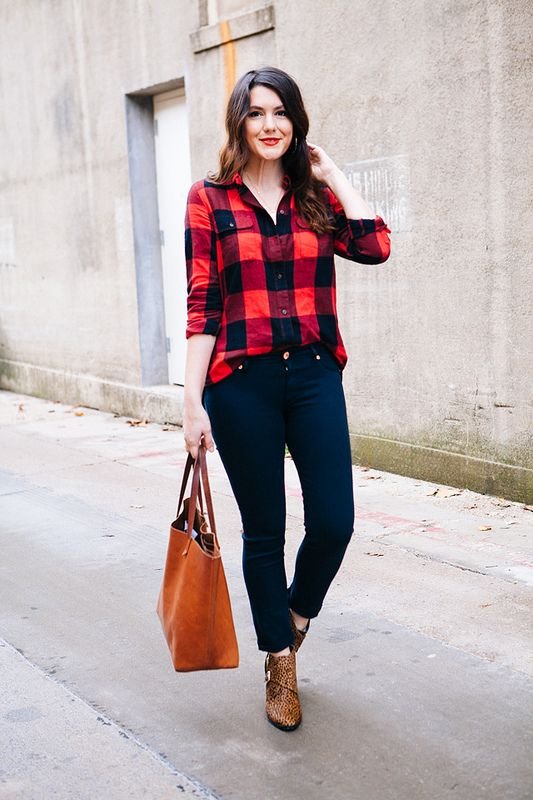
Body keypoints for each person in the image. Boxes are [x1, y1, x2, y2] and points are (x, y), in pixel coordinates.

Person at [182, 66, 391, 732]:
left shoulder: (313, 198)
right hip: (240, 383)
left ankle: (294, 618)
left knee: (334, 521)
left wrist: (332, 175)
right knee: (265, 531)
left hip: (312, 375)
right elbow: (202, 303)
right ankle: (278, 661)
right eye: (256, 112)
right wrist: (191, 403)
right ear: (238, 123)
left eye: (280, 112)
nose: (269, 124)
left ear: (296, 122)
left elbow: (376, 246)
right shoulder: (209, 200)